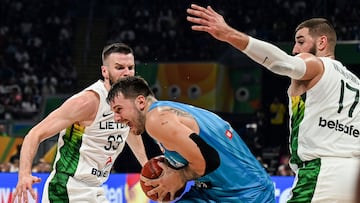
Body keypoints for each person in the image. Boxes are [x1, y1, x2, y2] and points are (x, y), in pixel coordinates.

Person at [186, 4, 360, 202]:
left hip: (321, 172)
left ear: (322, 42)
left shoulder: (317, 64)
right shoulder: (355, 83)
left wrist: (229, 35)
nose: (296, 49)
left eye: (300, 41)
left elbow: (281, 62)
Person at [11, 43, 148, 203]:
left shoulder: (127, 103)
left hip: (95, 187)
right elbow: (35, 134)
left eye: (130, 67)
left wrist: (146, 165)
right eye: (119, 68)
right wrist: (24, 175)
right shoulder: (87, 102)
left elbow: (129, 131)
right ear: (105, 71)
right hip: (67, 188)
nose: (127, 73)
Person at [106, 76, 275, 202]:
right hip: (214, 191)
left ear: (140, 102)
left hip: (245, 194)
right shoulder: (166, 112)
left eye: (119, 109)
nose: (116, 118)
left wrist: (179, 177)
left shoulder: (156, 120)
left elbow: (209, 159)